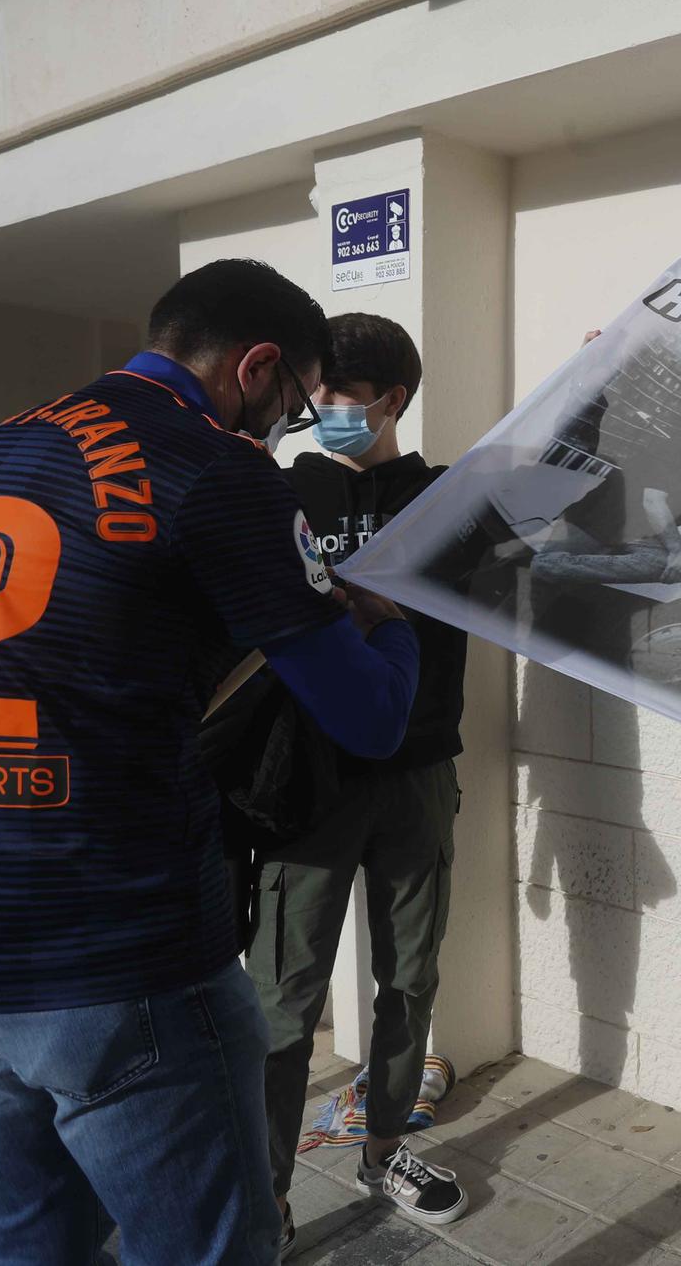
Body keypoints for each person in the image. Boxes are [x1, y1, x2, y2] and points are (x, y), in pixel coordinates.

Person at [0, 259, 420, 1265]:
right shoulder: (215, 467)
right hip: (98, 947)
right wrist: (390, 629)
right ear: (256, 368)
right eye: (295, 405)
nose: (285, 430)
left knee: (28, 1239)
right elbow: (370, 716)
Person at [251, 313, 470, 1247]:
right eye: (321, 392)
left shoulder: (450, 495)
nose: (329, 408)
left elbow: (565, 508)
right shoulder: (273, 489)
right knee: (282, 998)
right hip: (308, 781)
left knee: (410, 978)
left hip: (419, 772)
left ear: (395, 399)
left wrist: (595, 400)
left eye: (348, 394)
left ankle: (383, 1148)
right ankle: (266, 1193)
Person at [525, 404, 681, 585]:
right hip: (598, 517)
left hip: (646, 533)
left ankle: (556, 565)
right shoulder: (674, 447)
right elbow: (653, 501)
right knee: (544, 581)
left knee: (666, 565)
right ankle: (551, 565)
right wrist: (679, 551)